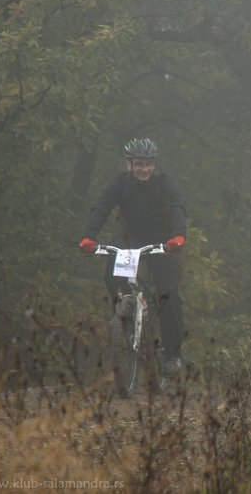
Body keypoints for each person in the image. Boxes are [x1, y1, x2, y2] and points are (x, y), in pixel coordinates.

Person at [78, 137, 187, 375]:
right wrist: (89, 237)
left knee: (169, 295)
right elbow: (102, 207)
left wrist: (178, 237)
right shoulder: (120, 184)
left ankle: (172, 354)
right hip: (131, 240)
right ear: (129, 164)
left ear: (154, 164)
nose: (144, 168)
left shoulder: (163, 183)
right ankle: (126, 313)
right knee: (112, 276)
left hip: (163, 242)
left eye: (148, 164)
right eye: (139, 164)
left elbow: (177, 206)